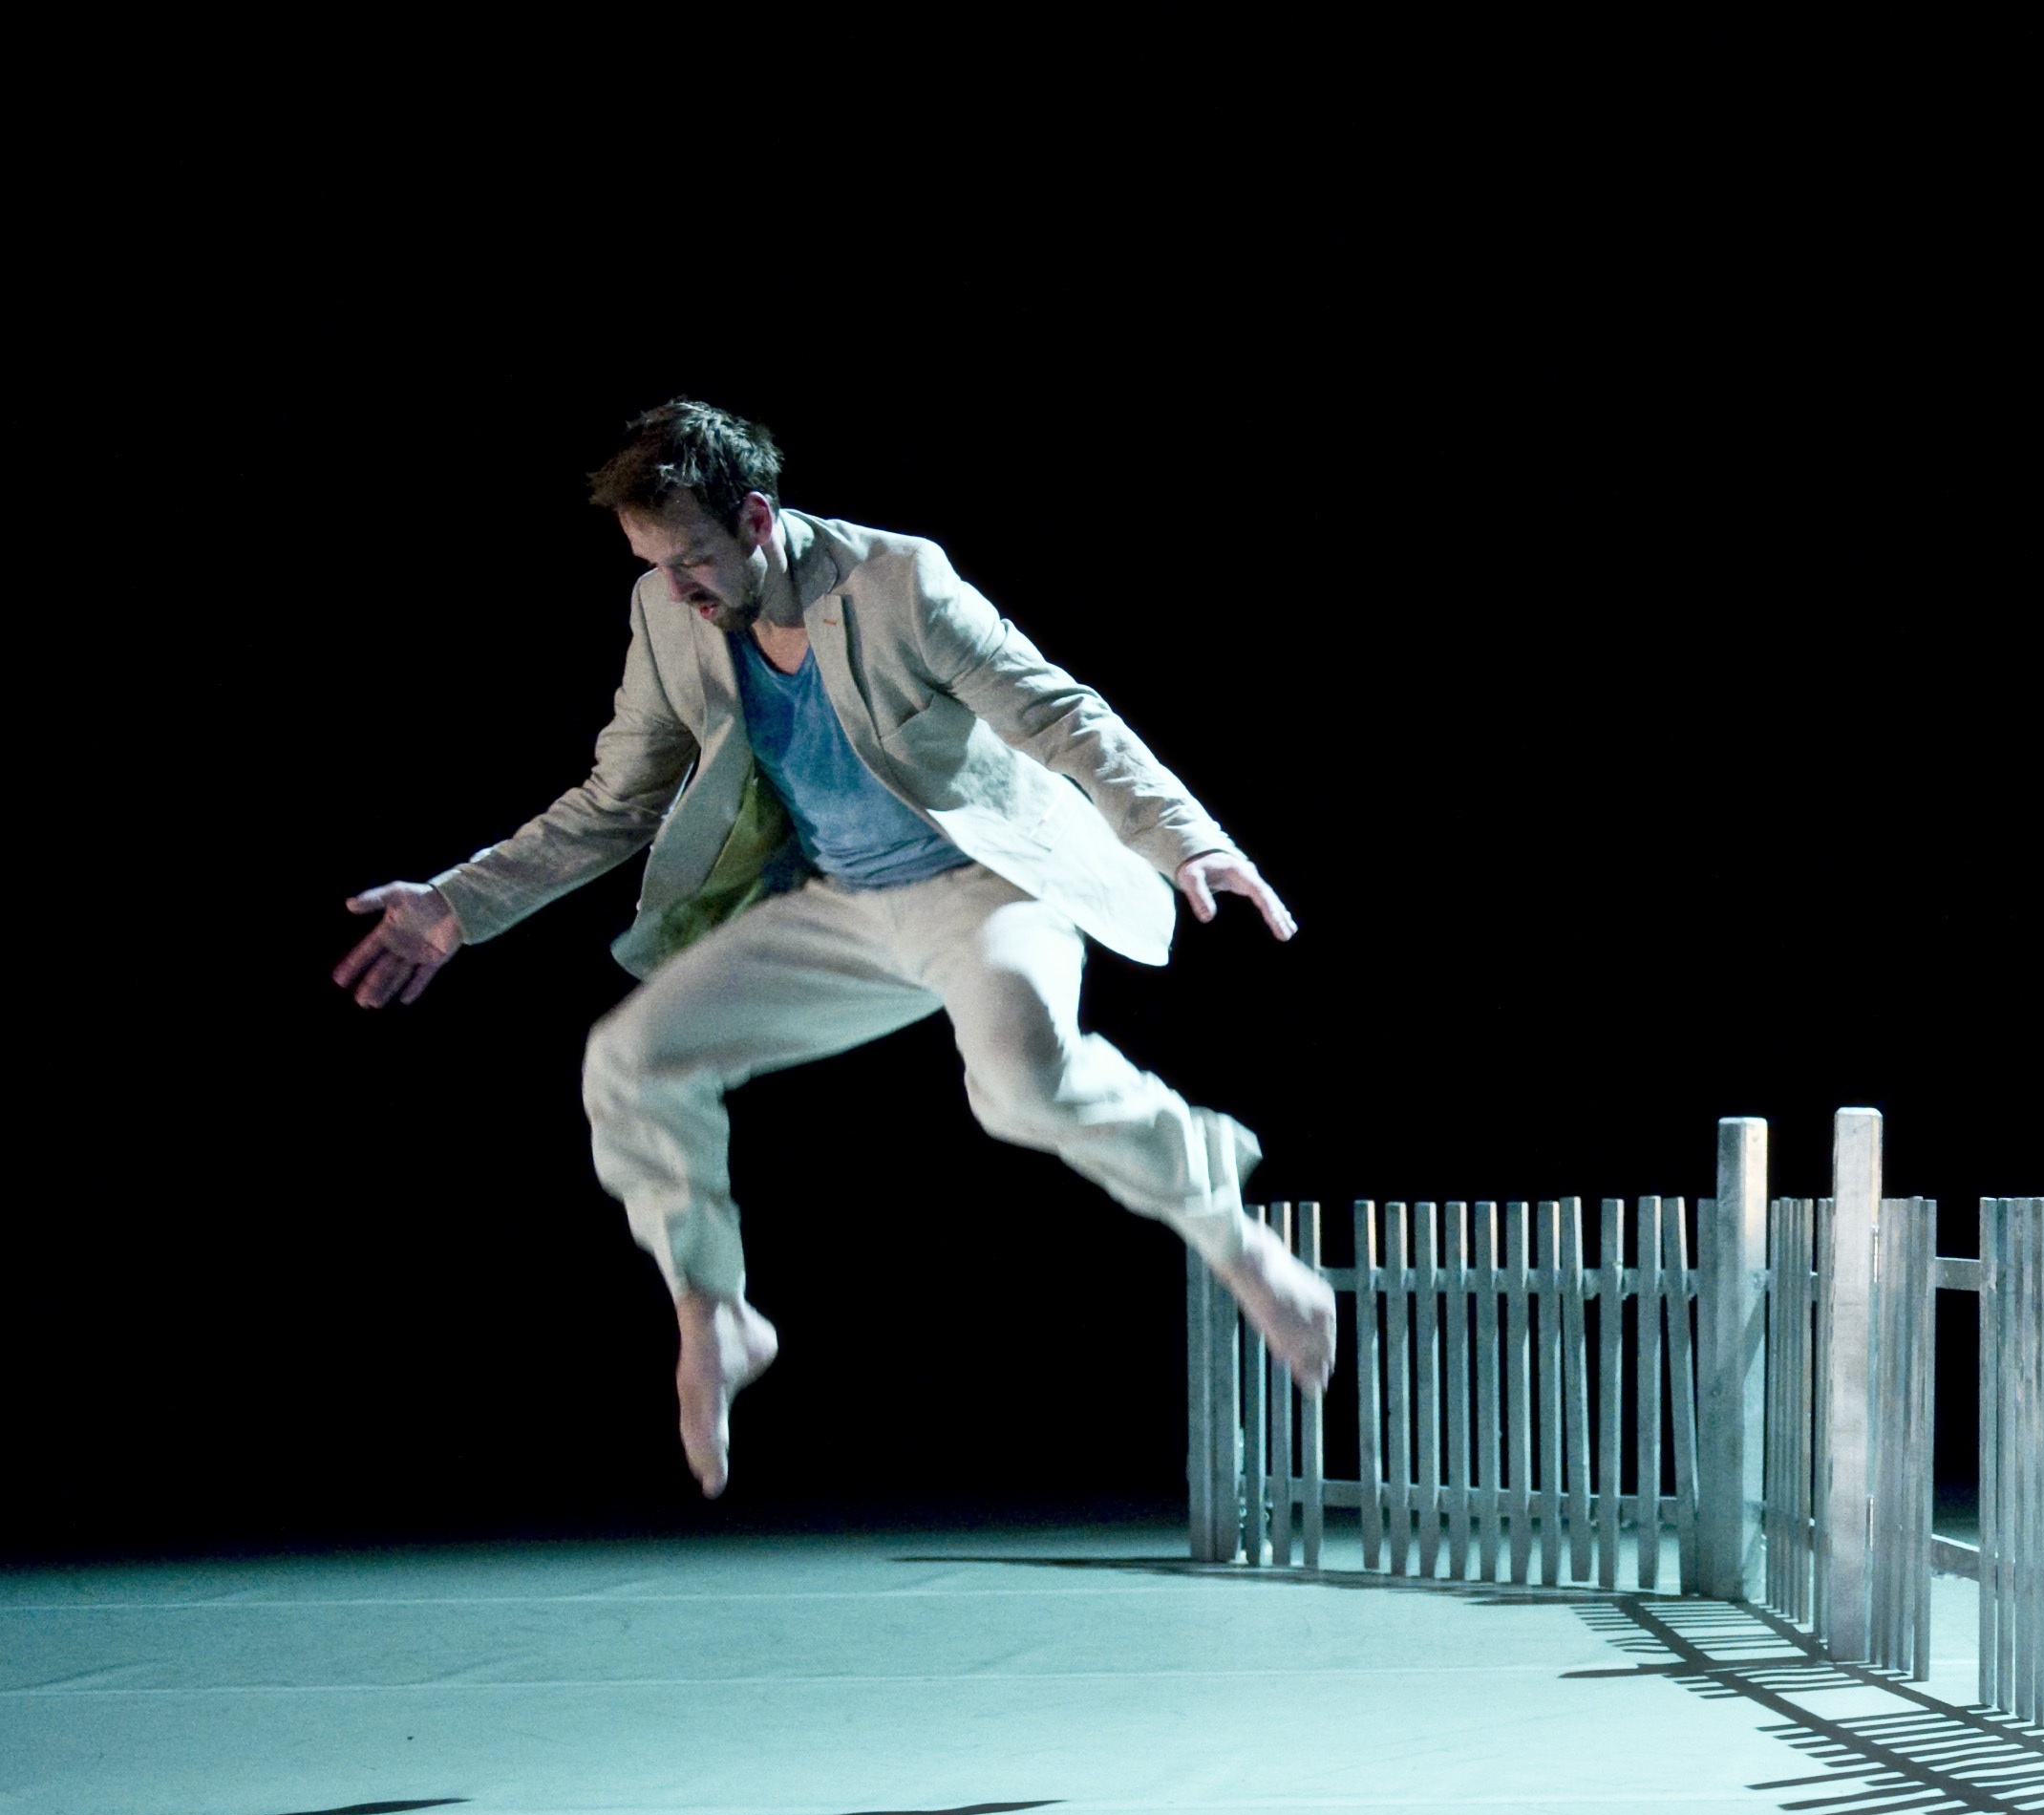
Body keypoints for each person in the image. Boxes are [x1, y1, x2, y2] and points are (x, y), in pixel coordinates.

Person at [331, 400, 1336, 1496]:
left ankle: (1229, 1229)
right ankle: (715, 1308)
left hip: (980, 885)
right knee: (630, 1059)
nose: (677, 586)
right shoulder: (666, 616)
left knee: (1017, 1084)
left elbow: (1058, 714)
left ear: (757, 518)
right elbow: (617, 798)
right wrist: (458, 901)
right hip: (840, 906)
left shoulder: (899, 582)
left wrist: (1186, 836)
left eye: (693, 558)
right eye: (652, 563)